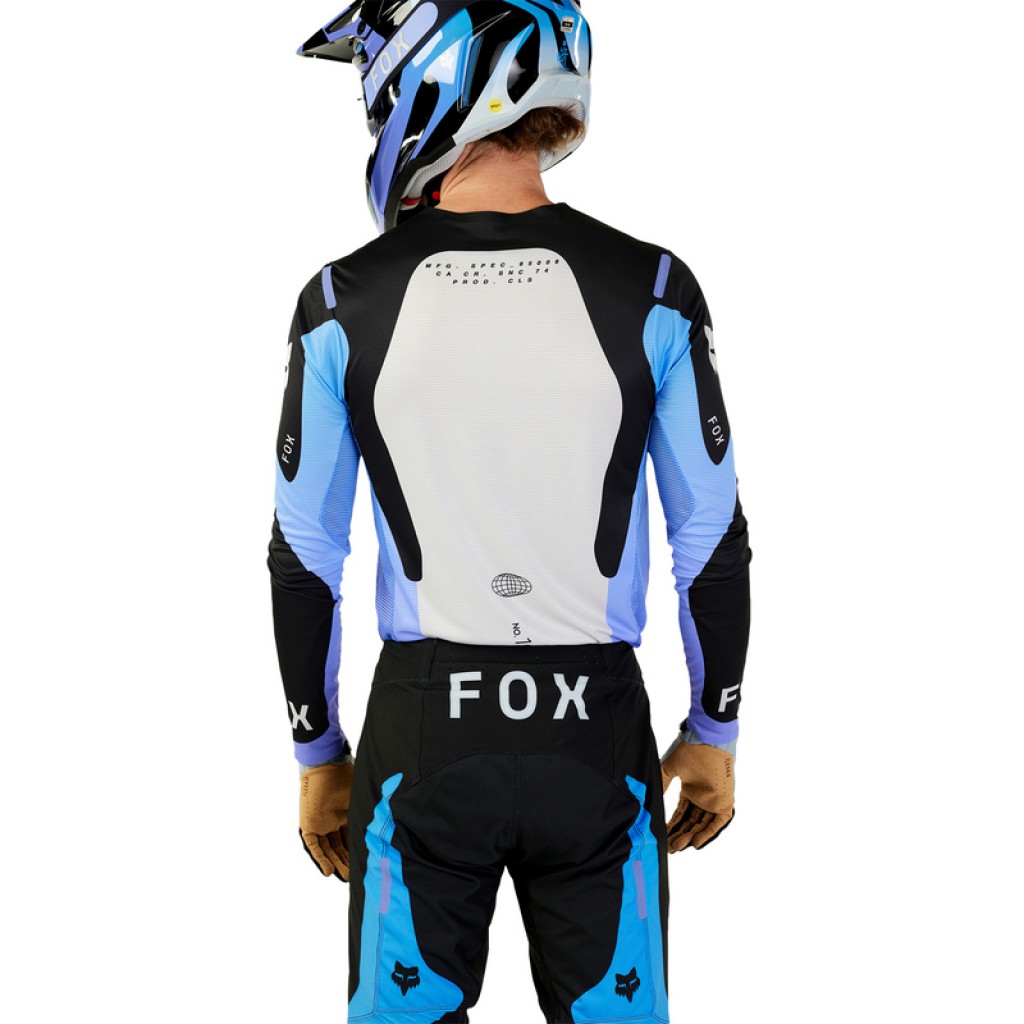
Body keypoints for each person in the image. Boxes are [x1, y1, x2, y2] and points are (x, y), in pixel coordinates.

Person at [268, 4, 752, 1023]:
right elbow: (710, 541)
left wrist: (318, 751)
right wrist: (713, 728)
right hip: (596, 734)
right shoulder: (656, 287)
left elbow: (304, 555)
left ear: (422, 81)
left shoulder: (339, 299)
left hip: (421, 734)